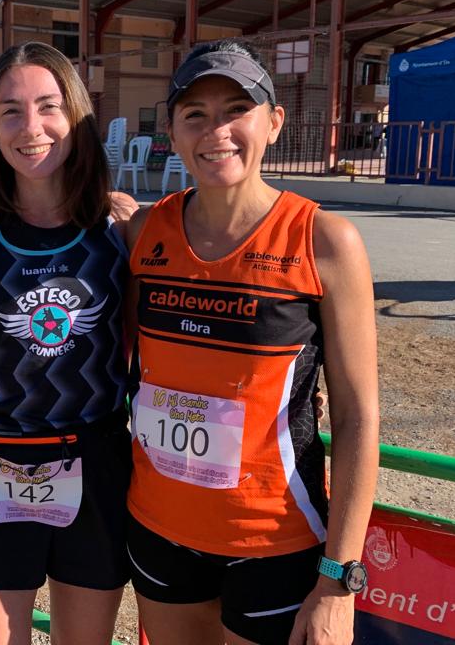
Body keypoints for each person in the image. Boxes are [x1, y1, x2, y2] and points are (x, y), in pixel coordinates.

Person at [124, 39, 379, 645]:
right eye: (195, 114)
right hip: (158, 526)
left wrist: (339, 581)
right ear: (172, 132)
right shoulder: (143, 230)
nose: (217, 131)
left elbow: (358, 417)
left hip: (274, 540)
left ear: (274, 122)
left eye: (237, 109)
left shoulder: (326, 241)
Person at [0, 42, 138, 645]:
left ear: (77, 116)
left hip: (96, 461)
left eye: (48, 106)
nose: (31, 127)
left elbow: (145, 346)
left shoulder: (119, 226)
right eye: (10, 111)